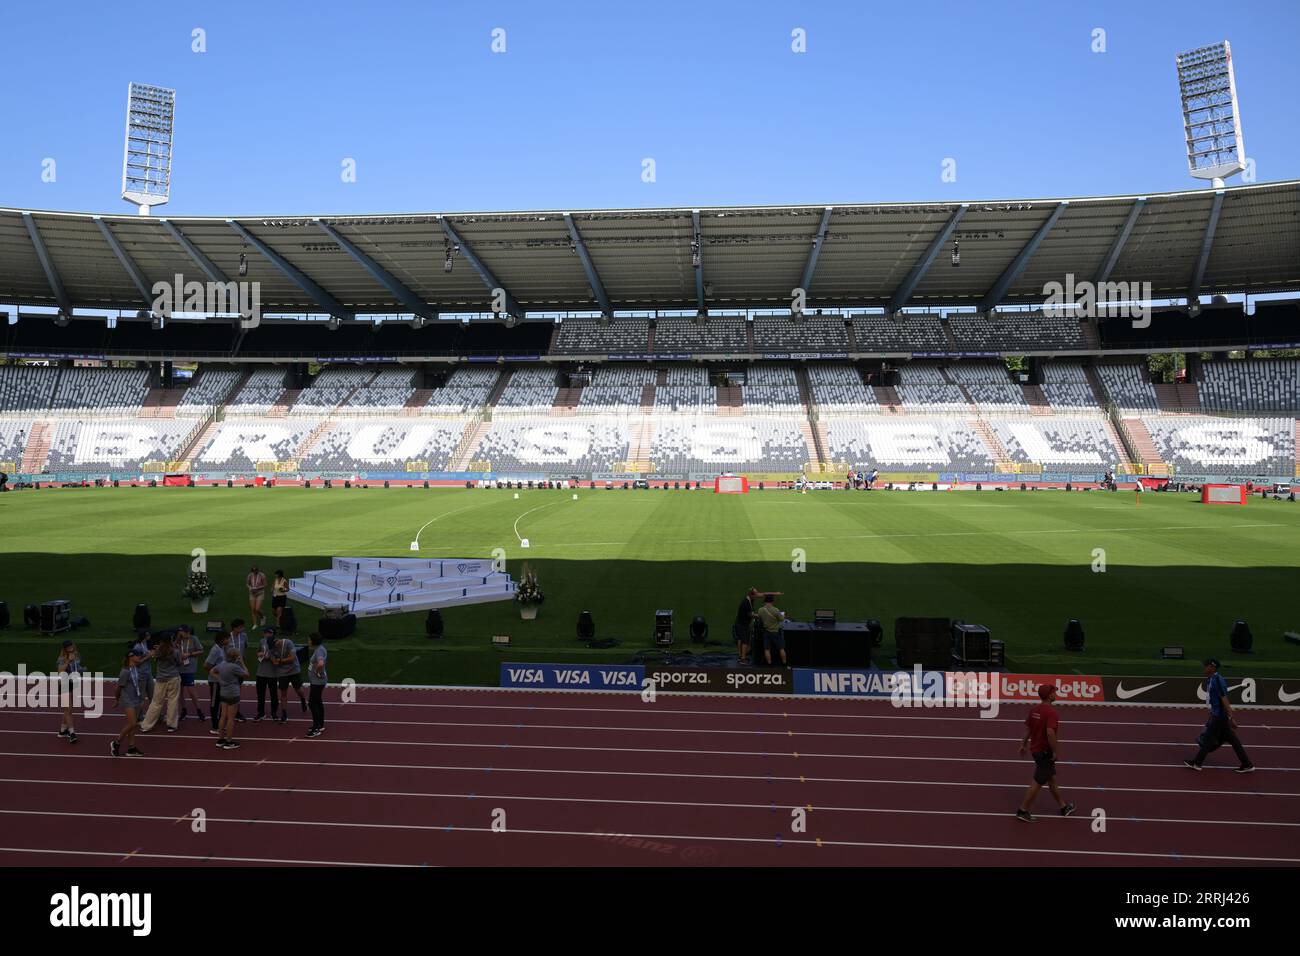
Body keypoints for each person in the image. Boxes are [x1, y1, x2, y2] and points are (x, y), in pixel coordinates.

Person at [1016, 684, 1076, 821]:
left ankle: (1063, 807)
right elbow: (1050, 733)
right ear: (1049, 695)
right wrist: (1054, 751)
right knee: (1038, 781)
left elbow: (1028, 729)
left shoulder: (1034, 710)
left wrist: (1023, 744)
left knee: (1051, 779)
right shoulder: (1051, 713)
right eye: (1054, 692)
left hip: (1036, 750)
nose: (1056, 694)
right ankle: (1022, 810)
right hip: (1044, 752)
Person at [1184, 659, 1255, 773]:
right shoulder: (1210, 679)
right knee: (1233, 740)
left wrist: (1231, 717)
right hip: (1217, 715)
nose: (1204, 668)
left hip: (1220, 717)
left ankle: (1197, 763)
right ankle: (1247, 764)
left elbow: (1224, 699)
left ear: (1212, 667)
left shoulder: (1218, 680)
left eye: (1206, 666)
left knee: (1209, 739)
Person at [111, 646, 154, 757]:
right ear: (131, 657)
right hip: (127, 700)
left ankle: (131, 748)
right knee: (132, 723)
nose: (139, 656)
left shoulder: (135, 668)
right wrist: (116, 700)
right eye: (137, 655)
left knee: (133, 725)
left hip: (136, 698)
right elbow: (118, 688)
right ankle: (116, 742)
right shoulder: (125, 672)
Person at [139, 633, 182, 733]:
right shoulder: (175, 651)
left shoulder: (158, 651)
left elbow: (152, 654)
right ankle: (172, 725)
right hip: (173, 678)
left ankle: (146, 725)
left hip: (161, 679)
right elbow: (179, 663)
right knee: (173, 701)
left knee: (156, 703)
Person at [213, 646, 249, 750]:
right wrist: (242, 662)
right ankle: (229, 741)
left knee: (223, 716)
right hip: (233, 694)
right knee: (231, 719)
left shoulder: (222, 664)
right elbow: (247, 674)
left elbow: (212, 671)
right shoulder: (234, 667)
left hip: (223, 693)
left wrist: (219, 679)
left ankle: (220, 740)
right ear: (236, 657)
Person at [54, 640, 84, 744]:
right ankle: (72, 733)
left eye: (71, 645)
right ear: (64, 649)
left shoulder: (77, 655)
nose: (70, 647)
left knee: (68, 710)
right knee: (69, 710)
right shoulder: (62, 658)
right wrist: (67, 661)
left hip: (73, 683)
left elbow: (77, 668)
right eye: (68, 646)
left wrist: (82, 670)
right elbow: (60, 671)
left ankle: (63, 730)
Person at [274, 631, 308, 721]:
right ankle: (284, 713)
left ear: (278, 642)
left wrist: (280, 660)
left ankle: (303, 699)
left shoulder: (288, 643)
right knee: (283, 693)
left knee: (298, 690)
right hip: (282, 673)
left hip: (294, 670)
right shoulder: (272, 648)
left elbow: (292, 658)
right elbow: (274, 661)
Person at [176, 625, 205, 723]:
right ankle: (183, 710)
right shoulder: (177, 641)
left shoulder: (194, 639)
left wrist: (190, 654)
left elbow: (201, 651)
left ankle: (199, 711)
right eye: (182, 632)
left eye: (185, 632)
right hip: (178, 668)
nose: (184, 634)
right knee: (179, 692)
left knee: (191, 691)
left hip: (189, 668)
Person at [254, 625, 281, 721]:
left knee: (274, 694)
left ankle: (274, 713)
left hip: (272, 673)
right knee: (260, 694)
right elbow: (258, 652)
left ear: (273, 634)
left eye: (269, 633)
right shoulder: (262, 641)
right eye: (265, 632)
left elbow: (279, 656)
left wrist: (270, 656)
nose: (266, 634)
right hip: (261, 672)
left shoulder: (277, 643)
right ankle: (261, 713)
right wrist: (260, 654)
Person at [305, 633, 328, 738]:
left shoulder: (319, 650)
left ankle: (316, 728)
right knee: (318, 702)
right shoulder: (320, 648)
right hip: (317, 681)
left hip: (317, 682)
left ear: (313, 641)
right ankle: (320, 724)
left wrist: (318, 672)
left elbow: (320, 663)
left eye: (309, 639)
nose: (308, 641)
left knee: (312, 703)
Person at [756, 593, 787, 667]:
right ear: (772, 601)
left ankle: (769, 664)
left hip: (766, 632)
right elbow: (781, 619)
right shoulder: (775, 610)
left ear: (765, 601)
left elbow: (759, 618)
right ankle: (784, 663)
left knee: (767, 649)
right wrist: (784, 615)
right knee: (781, 648)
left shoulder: (760, 610)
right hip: (775, 632)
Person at [733, 587, 758, 665]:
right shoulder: (746, 603)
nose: (757, 596)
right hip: (742, 625)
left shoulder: (748, 599)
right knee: (745, 641)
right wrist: (763, 615)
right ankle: (743, 659)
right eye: (755, 595)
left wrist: (774, 593)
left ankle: (740, 655)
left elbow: (761, 594)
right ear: (751, 595)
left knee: (740, 639)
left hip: (740, 623)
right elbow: (751, 615)